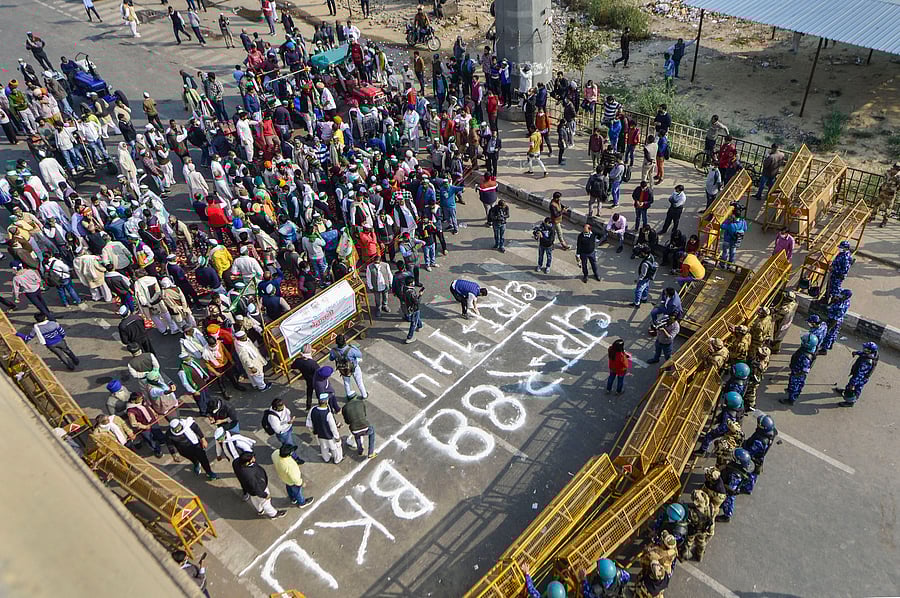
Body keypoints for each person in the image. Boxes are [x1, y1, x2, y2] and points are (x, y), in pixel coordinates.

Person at [233, 452, 287, 518]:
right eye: (252, 458)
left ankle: (260, 510)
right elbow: (256, 488)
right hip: (260, 488)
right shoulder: (249, 475)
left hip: (249, 489)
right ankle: (273, 514)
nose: (254, 458)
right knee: (265, 502)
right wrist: (264, 495)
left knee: (254, 499)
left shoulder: (236, 463)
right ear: (248, 462)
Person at [834, 342, 878, 407]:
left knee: (856, 388)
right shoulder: (869, 354)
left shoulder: (867, 362)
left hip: (861, 378)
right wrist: (856, 352)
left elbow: (860, 374)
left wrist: (853, 383)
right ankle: (847, 390)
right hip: (858, 374)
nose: (864, 350)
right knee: (850, 385)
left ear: (870, 351)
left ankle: (850, 402)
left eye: (866, 349)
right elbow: (863, 354)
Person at [779, 333, 818, 405]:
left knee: (795, 386)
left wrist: (796, 375)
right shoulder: (807, 349)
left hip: (798, 374)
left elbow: (805, 370)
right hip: (796, 371)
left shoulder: (806, 357)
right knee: (794, 385)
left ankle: (791, 400)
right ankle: (792, 391)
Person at [306, 393, 343, 463]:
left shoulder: (313, 409)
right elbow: (333, 428)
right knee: (335, 448)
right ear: (326, 401)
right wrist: (337, 437)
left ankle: (326, 458)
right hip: (329, 436)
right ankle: (337, 460)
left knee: (323, 448)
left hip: (319, 435)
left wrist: (313, 431)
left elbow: (309, 423)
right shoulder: (328, 414)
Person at [681, 489, 715, 562]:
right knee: (701, 543)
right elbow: (712, 521)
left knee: (688, 543)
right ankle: (699, 556)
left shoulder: (693, 513)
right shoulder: (711, 507)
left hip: (694, 530)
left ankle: (684, 556)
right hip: (704, 530)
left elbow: (688, 521)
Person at [329, 334, 367, 399]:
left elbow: (331, 358)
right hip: (354, 368)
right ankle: (364, 395)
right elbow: (359, 355)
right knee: (359, 381)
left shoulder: (333, 351)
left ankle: (349, 394)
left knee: (346, 382)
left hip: (343, 369)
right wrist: (353, 346)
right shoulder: (351, 349)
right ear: (345, 340)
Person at [342, 394, 377, 458]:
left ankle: (360, 450)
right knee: (372, 432)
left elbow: (347, 422)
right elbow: (365, 414)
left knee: (357, 435)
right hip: (365, 427)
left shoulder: (344, 408)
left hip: (354, 430)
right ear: (355, 397)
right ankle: (370, 452)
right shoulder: (361, 402)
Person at [820, 289, 852, 354]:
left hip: (834, 321)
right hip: (833, 317)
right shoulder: (842, 299)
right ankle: (830, 344)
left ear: (846, 297)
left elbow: (835, 319)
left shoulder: (841, 307)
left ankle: (824, 349)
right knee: (834, 333)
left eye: (842, 295)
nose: (840, 295)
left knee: (829, 334)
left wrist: (829, 328)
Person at [291, 344, 319, 410]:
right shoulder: (313, 363)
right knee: (318, 392)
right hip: (315, 380)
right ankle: (321, 403)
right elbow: (318, 371)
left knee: (309, 393)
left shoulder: (298, 361)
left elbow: (292, 366)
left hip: (307, 379)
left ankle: (308, 406)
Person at [871, 162, 900, 227]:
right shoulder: (888, 172)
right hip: (883, 191)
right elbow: (884, 179)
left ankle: (884, 221)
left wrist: (894, 190)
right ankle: (872, 216)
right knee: (876, 203)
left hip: (890, 194)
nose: (896, 170)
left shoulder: (898, 176)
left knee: (888, 208)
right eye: (895, 168)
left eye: (897, 169)